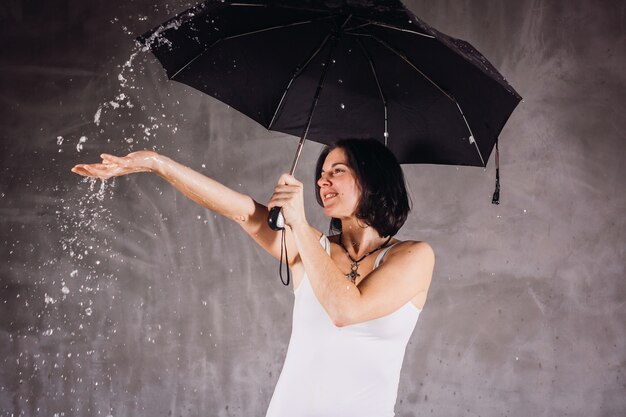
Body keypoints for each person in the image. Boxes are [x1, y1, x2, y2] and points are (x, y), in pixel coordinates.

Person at [71, 138, 435, 417]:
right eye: (321, 174)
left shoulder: (413, 257)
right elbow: (241, 210)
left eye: (337, 170)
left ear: (372, 179)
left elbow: (345, 310)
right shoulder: (310, 246)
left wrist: (298, 224)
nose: (322, 181)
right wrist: (157, 163)